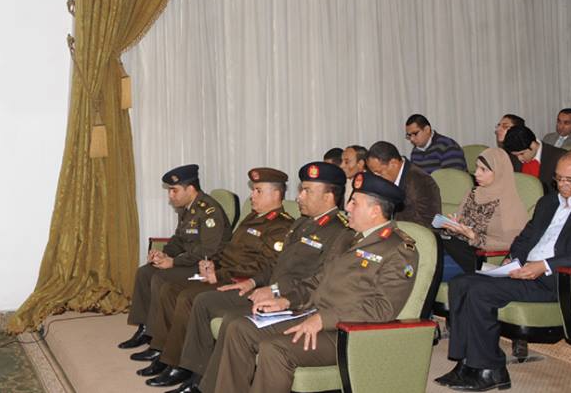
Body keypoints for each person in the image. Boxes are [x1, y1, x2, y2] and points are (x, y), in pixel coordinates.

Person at [202, 172, 419, 393]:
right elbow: (318, 280)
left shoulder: (399, 249)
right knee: (240, 328)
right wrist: (286, 300)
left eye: (354, 203)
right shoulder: (348, 237)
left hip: (348, 332)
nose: (347, 208)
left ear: (375, 211)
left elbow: (382, 308)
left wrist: (324, 319)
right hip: (313, 312)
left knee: (274, 349)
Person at [436, 149, 571, 391]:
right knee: (461, 283)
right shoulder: (548, 202)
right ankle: (466, 364)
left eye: (568, 180)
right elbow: (525, 238)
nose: (561, 185)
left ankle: (491, 369)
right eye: (558, 178)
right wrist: (512, 259)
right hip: (525, 271)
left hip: (559, 280)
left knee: (479, 292)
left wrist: (544, 265)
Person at [164, 162, 354, 393]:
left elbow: (319, 281)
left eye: (307, 191)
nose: (299, 197)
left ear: (329, 196)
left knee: (235, 323)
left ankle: (205, 386)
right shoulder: (303, 223)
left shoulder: (341, 233)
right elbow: (277, 264)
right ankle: (206, 384)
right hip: (273, 291)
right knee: (226, 317)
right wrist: (253, 282)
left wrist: (276, 292)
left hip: (298, 303)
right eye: (301, 190)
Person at [137, 168, 295, 387]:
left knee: (189, 298)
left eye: (258, 191)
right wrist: (213, 266)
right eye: (253, 190)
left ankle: (188, 369)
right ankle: (166, 354)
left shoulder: (281, 225)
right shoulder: (252, 217)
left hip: (243, 284)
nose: (252, 195)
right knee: (170, 288)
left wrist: (220, 274)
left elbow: (264, 268)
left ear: (276, 195)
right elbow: (229, 251)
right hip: (224, 274)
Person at [119, 164, 232, 352]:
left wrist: (174, 262)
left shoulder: (209, 211)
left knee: (160, 277)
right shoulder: (187, 208)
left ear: (191, 189)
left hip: (208, 267)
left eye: (174, 190)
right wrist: (165, 253)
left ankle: (159, 340)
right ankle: (145, 328)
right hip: (190, 261)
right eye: (169, 191)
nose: (170, 195)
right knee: (145, 272)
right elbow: (179, 238)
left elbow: (208, 251)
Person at [439, 148, 527, 278]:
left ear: (499, 172)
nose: (476, 173)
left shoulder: (509, 202)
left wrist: (475, 237)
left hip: (478, 258)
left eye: (483, 170)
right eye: (477, 167)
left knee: (424, 268)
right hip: (456, 248)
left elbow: (514, 243)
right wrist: (454, 226)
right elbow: (461, 224)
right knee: (419, 256)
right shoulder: (472, 193)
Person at [364, 141, 441, 228]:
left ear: (393, 164)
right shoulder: (388, 179)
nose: (376, 177)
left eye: (379, 172)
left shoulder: (422, 181)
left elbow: (427, 222)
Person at [502, 125, 565, 194]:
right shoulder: (512, 157)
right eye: (515, 155)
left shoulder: (560, 158)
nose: (519, 158)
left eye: (522, 154)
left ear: (533, 145)